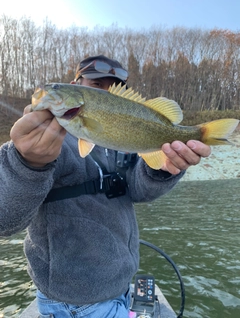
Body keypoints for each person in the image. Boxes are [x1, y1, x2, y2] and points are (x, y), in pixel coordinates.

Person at [0, 55, 211, 318]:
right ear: (75, 85)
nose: (106, 93)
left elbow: (138, 190)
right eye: (96, 85)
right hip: (74, 301)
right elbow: (4, 220)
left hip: (118, 286)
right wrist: (26, 163)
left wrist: (162, 169)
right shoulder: (43, 141)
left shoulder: (121, 142)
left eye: (112, 87)